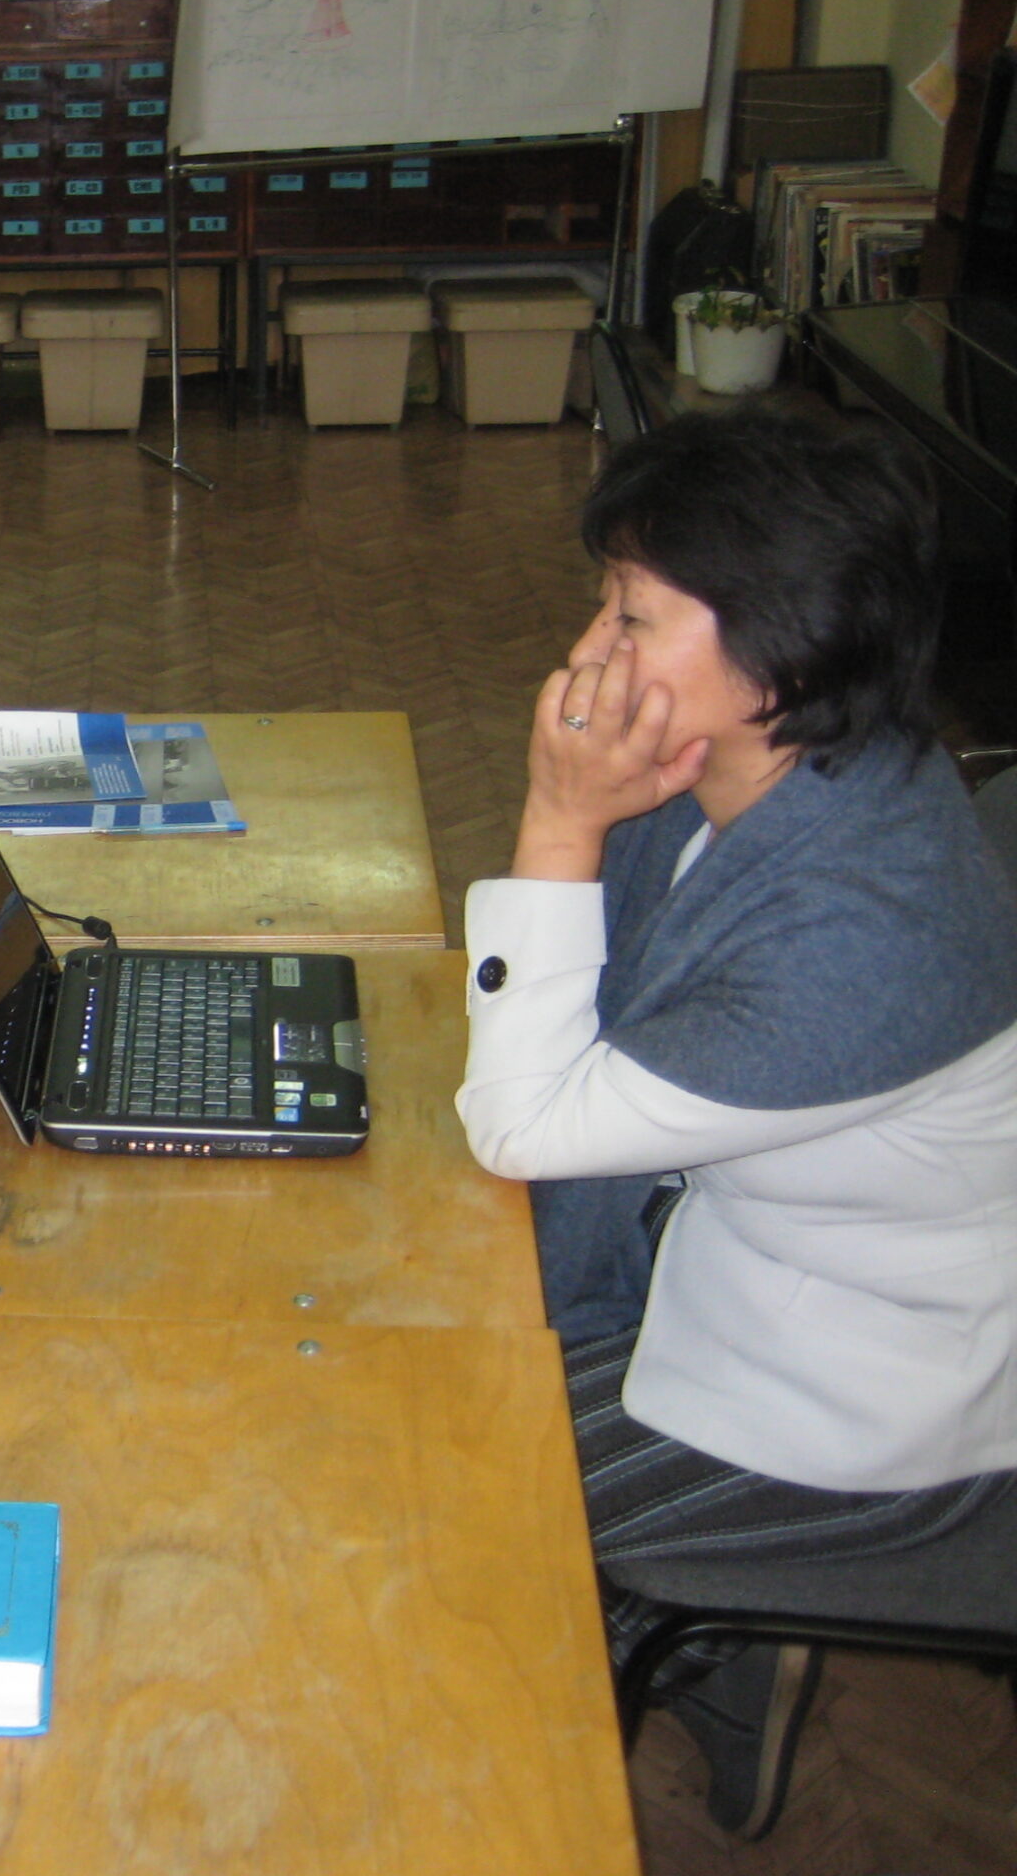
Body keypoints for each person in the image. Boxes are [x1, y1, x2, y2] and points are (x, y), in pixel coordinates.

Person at [456, 407, 1017, 1841]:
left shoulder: (865, 929)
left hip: (850, 1426)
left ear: (783, 650)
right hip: (749, 1285)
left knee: (442, 1457)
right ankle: (721, 1653)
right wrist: (600, 822)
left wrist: (559, 814)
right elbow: (583, 1021)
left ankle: (653, 1691)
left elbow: (524, 1119)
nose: (591, 653)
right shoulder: (777, 776)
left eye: (634, 616)